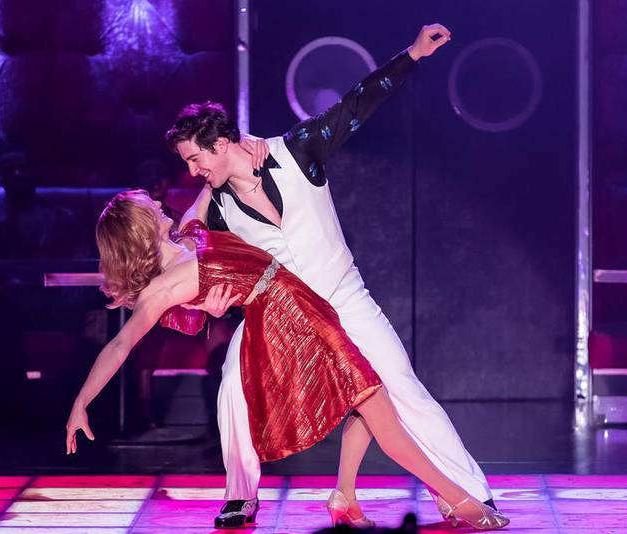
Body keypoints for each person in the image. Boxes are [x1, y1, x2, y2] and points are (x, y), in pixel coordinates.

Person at [166, 23, 501, 529]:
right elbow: (181, 235)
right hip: (279, 314)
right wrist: (202, 200)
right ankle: (240, 495)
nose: (192, 169)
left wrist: (412, 53)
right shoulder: (215, 202)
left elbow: (358, 102)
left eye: (195, 158)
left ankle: (472, 491)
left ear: (220, 143)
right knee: (233, 380)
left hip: (344, 297)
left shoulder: (298, 149)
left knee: (402, 384)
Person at [64, 189, 509, 530]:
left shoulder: (186, 233)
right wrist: (81, 403)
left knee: (367, 395)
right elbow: (120, 345)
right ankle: (459, 500)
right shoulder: (162, 289)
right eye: (150, 206)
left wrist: (237, 149)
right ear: (140, 229)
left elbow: (208, 182)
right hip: (287, 319)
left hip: (298, 301)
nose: (159, 201)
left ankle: (345, 497)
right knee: (375, 402)